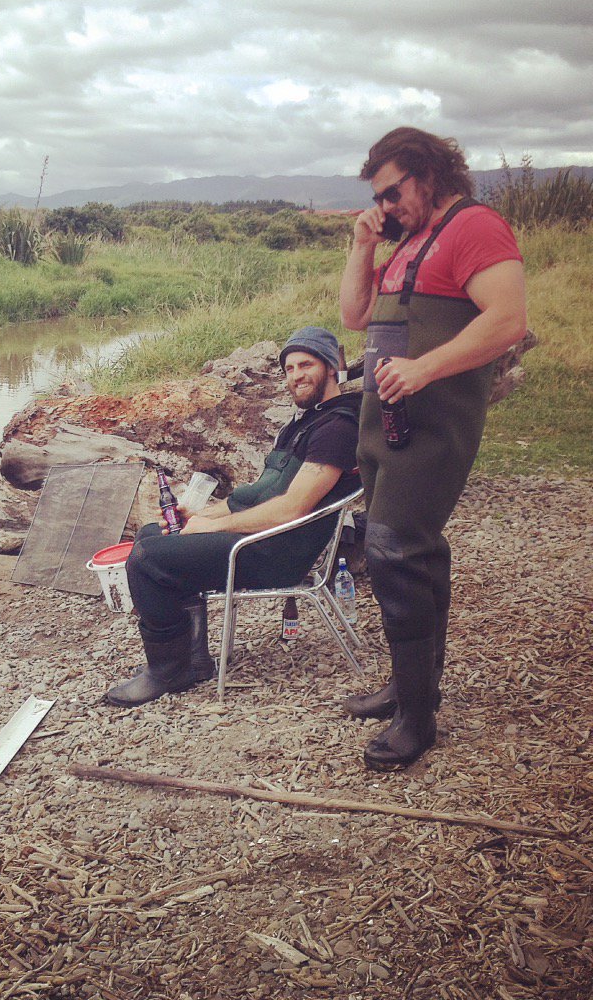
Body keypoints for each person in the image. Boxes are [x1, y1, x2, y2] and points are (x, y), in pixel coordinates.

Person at [339, 127, 527, 771]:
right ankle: (410, 685)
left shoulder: (475, 227)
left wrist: (424, 369)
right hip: (384, 423)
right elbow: (355, 316)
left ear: (428, 173)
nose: (386, 206)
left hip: (432, 422)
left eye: (393, 192)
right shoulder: (409, 240)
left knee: (396, 551)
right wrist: (364, 245)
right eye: (378, 197)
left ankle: (416, 718)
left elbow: (507, 321)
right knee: (401, 553)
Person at [105, 326, 361, 707]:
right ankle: (193, 660)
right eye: (289, 368)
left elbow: (293, 508)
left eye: (306, 364)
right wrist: (198, 514)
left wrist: (213, 526)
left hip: (276, 554)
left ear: (329, 366)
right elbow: (256, 495)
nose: (296, 376)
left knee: (146, 561)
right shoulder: (302, 424)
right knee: (149, 535)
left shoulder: (337, 427)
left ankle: (165, 671)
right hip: (263, 538)